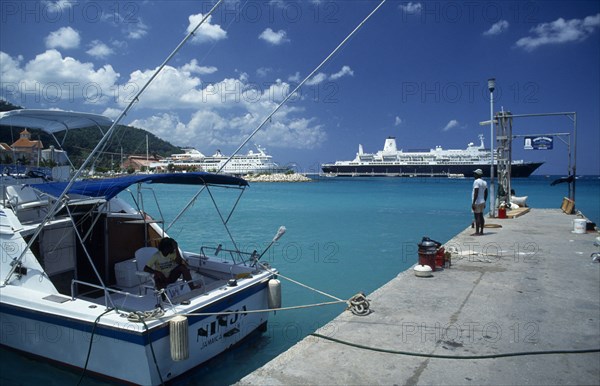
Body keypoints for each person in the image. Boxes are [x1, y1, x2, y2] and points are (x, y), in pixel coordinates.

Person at [471, 169, 488, 236]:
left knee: (476, 216)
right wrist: (484, 201)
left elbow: (476, 192)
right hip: (482, 201)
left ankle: (477, 232)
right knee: (481, 216)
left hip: (477, 201)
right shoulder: (484, 182)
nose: (474, 175)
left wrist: (473, 202)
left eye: (475, 174)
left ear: (477, 175)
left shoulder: (476, 181)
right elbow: (486, 193)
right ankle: (481, 231)